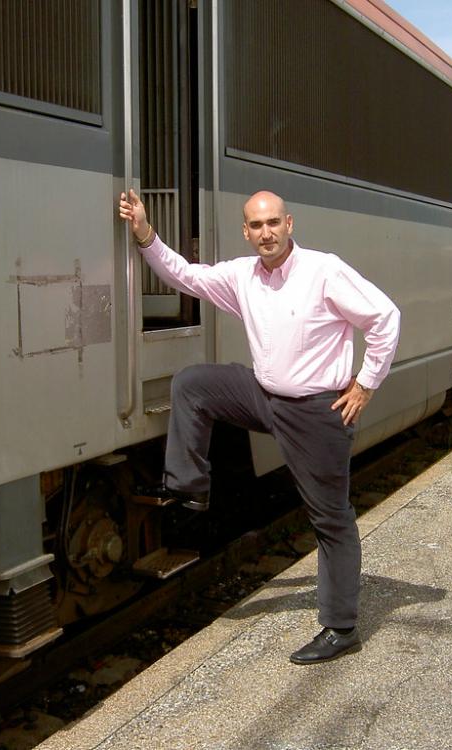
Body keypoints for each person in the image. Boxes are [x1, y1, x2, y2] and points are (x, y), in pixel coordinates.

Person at [118, 188, 400, 664]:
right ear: (245, 231)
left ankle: (341, 627)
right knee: (193, 382)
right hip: (264, 396)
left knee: (331, 519)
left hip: (316, 411)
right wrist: (145, 234)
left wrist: (366, 384)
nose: (265, 233)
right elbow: (186, 276)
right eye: (255, 225)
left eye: (273, 223)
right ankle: (190, 488)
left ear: (290, 224)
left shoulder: (323, 270)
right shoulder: (242, 276)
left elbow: (385, 318)